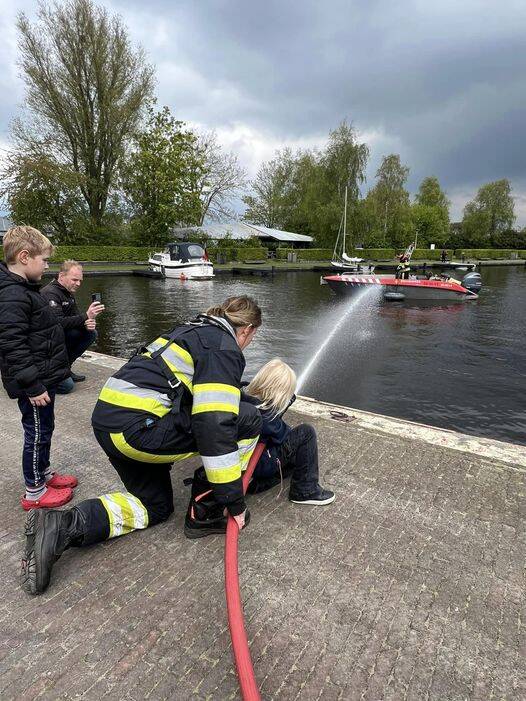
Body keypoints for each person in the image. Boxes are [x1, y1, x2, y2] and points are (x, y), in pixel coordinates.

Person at [21, 296, 263, 595]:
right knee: (249, 420)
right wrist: (234, 502)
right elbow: (214, 426)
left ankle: (64, 526)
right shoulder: (225, 347)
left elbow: (188, 389)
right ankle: (208, 509)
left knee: (155, 507)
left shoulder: (188, 330)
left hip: (110, 423)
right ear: (247, 330)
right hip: (139, 429)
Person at [0, 227, 78, 511]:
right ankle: (34, 491)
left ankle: (43, 474)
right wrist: (32, 385)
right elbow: (12, 344)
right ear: (24, 257)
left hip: (45, 378)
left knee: (45, 427)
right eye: (44, 260)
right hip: (34, 384)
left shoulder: (25, 290)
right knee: (35, 432)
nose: (47, 266)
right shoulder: (13, 295)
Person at [242, 359, 335, 504]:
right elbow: (283, 434)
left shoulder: (243, 398)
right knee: (305, 432)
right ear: (278, 393)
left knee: (298, 455)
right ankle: (305, 491)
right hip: (256, 468)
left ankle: (269, 480)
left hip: (241, 463)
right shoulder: (266, 418)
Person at [41, 260, 104, 393]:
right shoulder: (50, 293)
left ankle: (66, 368)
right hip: (46, 345)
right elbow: (57, 322)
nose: (78, 284)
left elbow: (75, 318)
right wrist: (86, 316)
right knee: (66, 387)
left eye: (80, 280)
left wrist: (88, 322)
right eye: (74, 279)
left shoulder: (67, 293)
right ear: (61, 276)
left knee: (90, 333)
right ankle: (38, 379)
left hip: (58, 339)